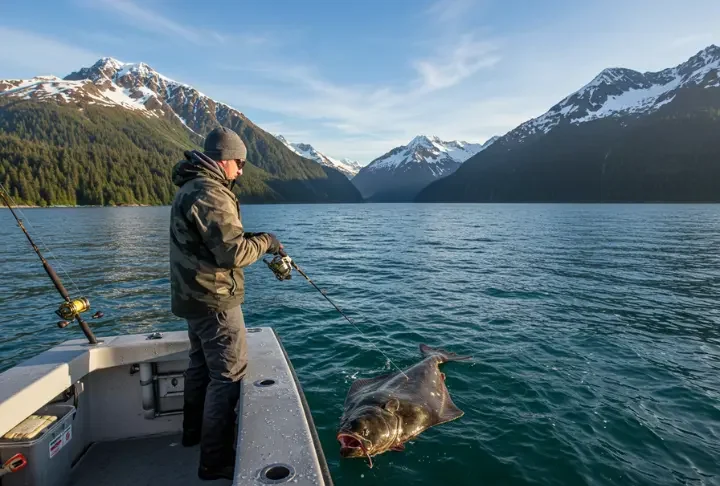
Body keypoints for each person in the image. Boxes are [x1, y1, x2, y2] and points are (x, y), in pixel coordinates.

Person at [169, 127, 282, 481]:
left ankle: (192, 435)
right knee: (227, 377)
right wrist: (266, 241)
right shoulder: (210, 192)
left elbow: (215, 240)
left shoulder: (191, 187)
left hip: (192, 298)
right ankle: (214, 460)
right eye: (239, 163)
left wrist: (250, 238)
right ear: (224, 159)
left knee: (200, 368)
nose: (242, 171)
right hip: (215, 299)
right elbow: (233, 252)